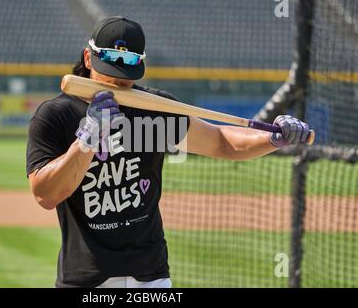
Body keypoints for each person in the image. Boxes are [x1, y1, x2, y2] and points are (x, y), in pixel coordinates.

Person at [26, 16, 310, 288]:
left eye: (126, 75)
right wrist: (87, 138)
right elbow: (45, 194)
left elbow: (220, 141)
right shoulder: (55, 115)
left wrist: (272, 139)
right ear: (88, 58)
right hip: (85, 278)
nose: (117, 82)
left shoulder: (155, 108)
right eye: (109, 69)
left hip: (152, 278)